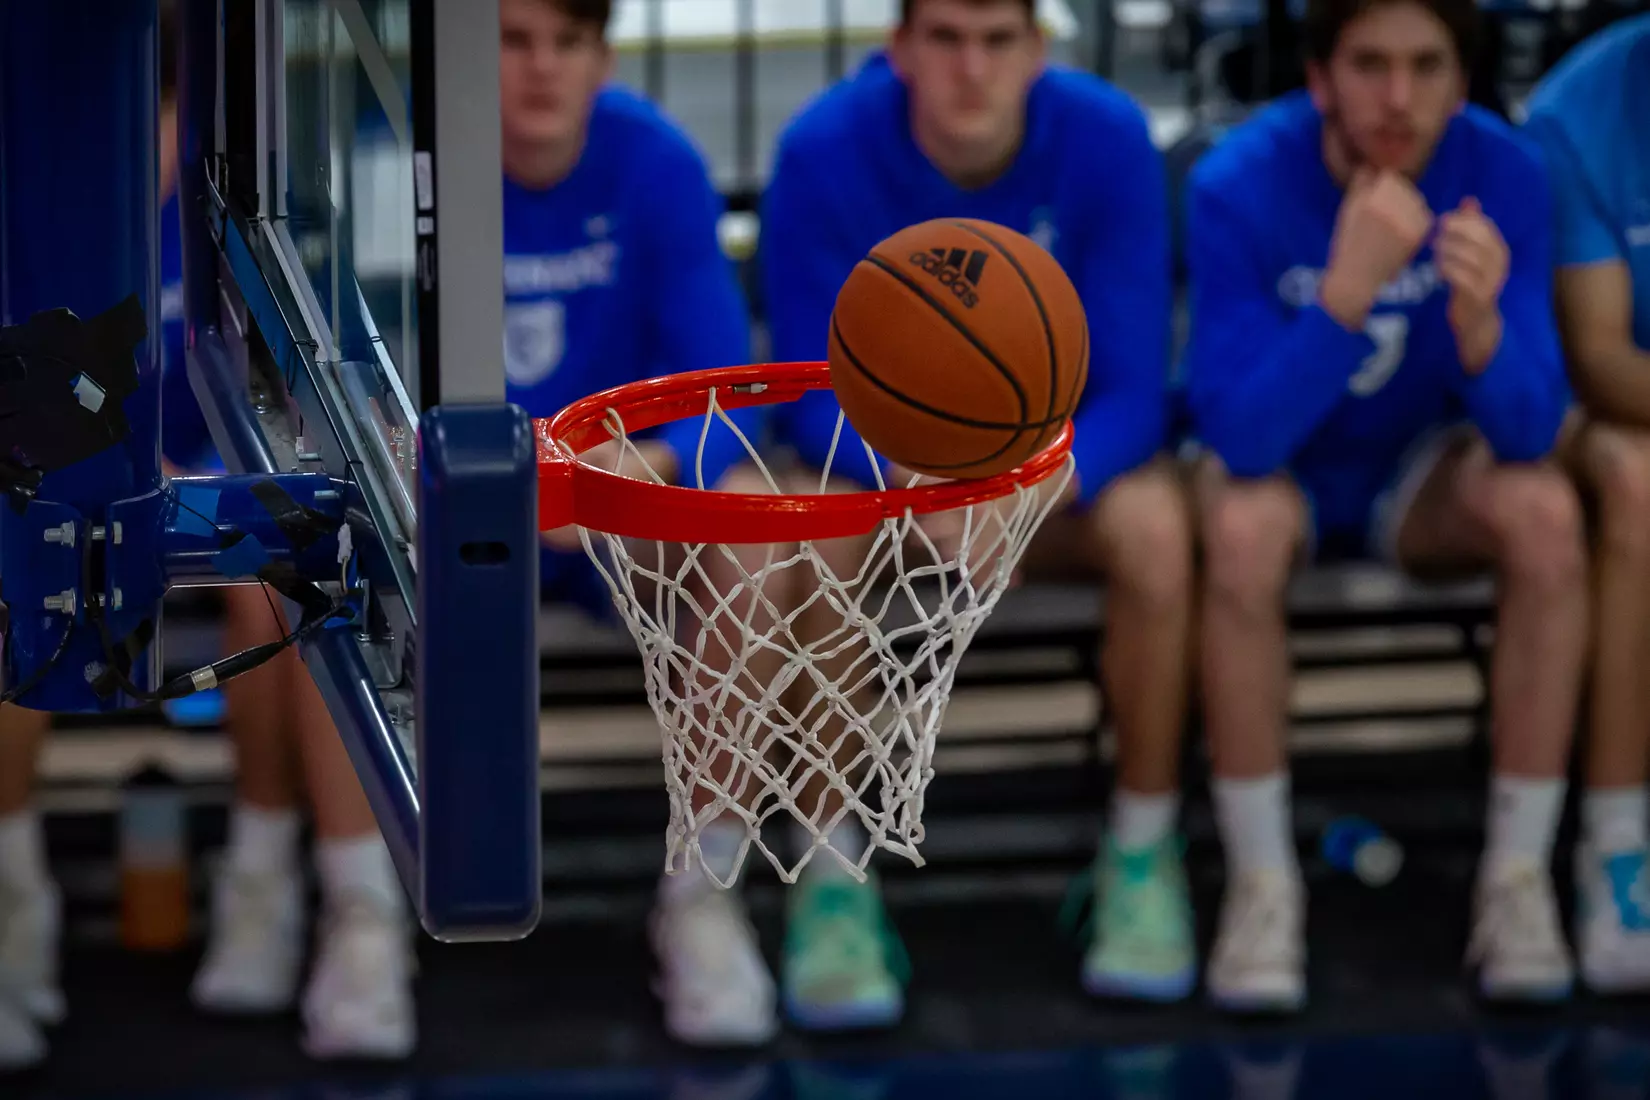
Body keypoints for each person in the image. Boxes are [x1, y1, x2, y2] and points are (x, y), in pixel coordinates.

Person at [651, 0, 1190, 1048]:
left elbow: (1135, 390)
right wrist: (919, 480)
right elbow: (809, 389)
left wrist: (1033, 483)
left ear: (1040, 47)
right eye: (944, 38)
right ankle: (831, 870)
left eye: (998, 40)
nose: (971, 69)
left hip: (1049, 479)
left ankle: (1143, 853)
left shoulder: (1108, 138)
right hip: (895, 471)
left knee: (1161, 531)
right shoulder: (825, 148)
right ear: (897, 48)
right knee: (813, 526)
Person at [1184, 0, 1585, 1012]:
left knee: (1545, 513)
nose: (1398, 97)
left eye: (1425, 66)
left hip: (1423, 476)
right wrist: (1345, 297)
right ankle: (1263, 884)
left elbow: (1533, 431)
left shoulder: (1504, 174)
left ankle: (1520, 878)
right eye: (1369, 64)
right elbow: (1238, 438)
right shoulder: (1237, 183)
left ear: (1461, 78)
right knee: (1237, 525)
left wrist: (1486, 328)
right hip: (1289, 478)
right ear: (1319, 77)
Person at [139, 8, 419, 1062]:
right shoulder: (46, 220)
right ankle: (15, 901)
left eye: (156, 113)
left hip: (222, 510)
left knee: (294, 554)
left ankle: (338, 896)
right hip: (82, 526)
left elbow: (312, 399)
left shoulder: (254, 202)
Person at [495, 0, 763, 1049]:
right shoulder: (413, 175)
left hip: (625, 518)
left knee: (746, 527)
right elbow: (359, 390)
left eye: (565, 43)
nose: (541, 69)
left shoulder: (658, 162)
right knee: (316, 555)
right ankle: (355, 902)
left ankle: (705, 887)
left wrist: (642, 466)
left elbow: (735, 395)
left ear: (603, 54)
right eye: (514, 42)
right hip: (463, 513)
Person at [1522, 13, 1650, 995]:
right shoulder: (1577, 109)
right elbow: (1602, 356)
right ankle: (1617, 846)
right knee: (1637, 485)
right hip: (1611, 413)